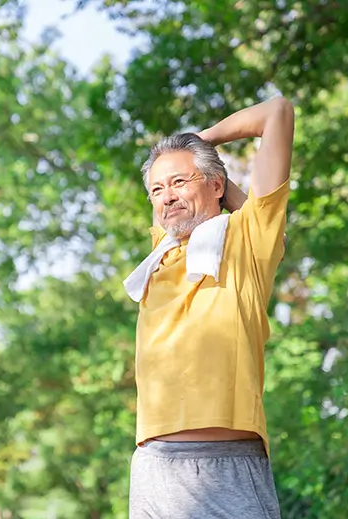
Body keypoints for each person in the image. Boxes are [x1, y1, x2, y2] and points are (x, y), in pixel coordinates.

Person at [124, 97, 294, 519]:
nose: (167, 197)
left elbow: (277, 113)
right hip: (153, 469)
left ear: (216, 185)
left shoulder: (245, 242)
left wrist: (201, 140)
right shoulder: (159, 253)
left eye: (180, 181)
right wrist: (186, 170)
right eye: (157, 189)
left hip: (228, 465)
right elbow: (176, 207)